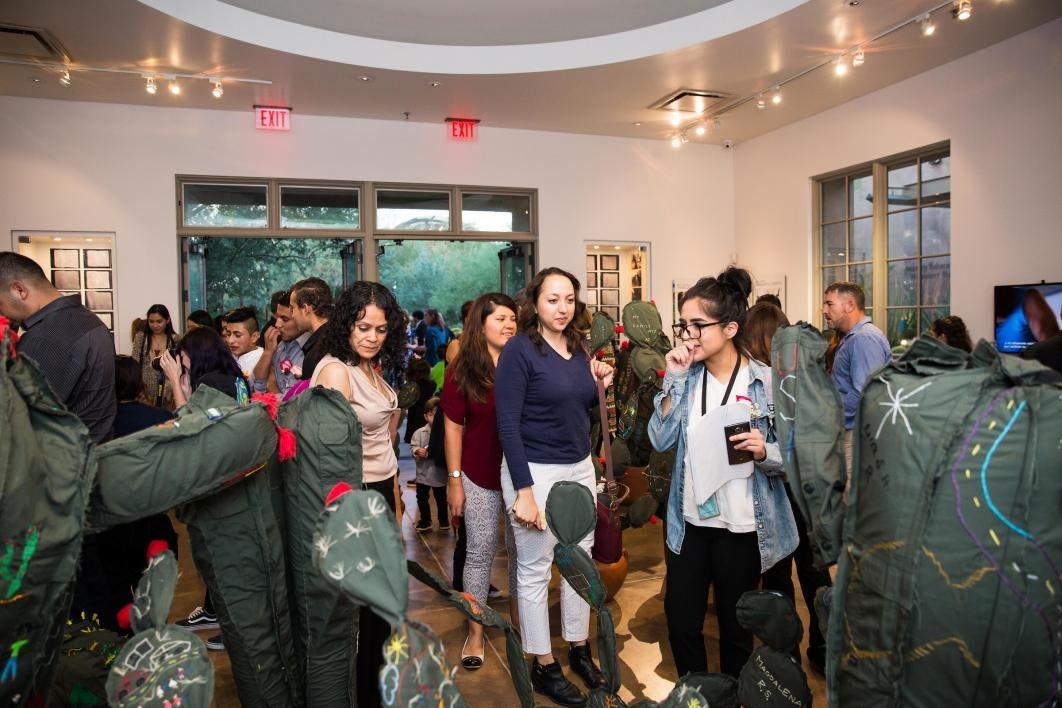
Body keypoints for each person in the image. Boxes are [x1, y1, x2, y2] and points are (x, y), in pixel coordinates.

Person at [648, 267, 797, 679]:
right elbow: (659, 440)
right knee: (681, 623)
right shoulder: (686, 379)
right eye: (683, 325)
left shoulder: (765, 381)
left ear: (730, 328)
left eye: (698, 325)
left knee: (736, 631)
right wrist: (673, 379)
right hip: (691, 522)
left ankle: (732, 695)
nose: (687, 336)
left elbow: (793, 456)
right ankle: (695, 693)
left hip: (743, 525)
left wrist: (763, 449)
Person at [495, 267, 613, 706]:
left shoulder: (580, 348)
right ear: (534, 303)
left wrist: (599, 380)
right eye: (552, 299)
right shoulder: (519, 351)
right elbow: (507, 423)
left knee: (579, 564)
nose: (562, 308)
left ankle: (579, 647)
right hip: (534, 472)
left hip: (579, 467)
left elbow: (576, 401)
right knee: (535, 569)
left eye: (569, 299)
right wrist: (523, 490)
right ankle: (544, 664)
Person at [0, 252, 117, 625]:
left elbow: (20, 422)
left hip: (62, 484)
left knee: (78, 597)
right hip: (88, 469)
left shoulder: (50, 338)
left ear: (19, 289)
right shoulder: (83, 320)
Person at [310, 280, 406, 708]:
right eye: (362, 327)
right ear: (346, 324)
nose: (371, 337)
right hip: (356, 497)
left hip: (382, 491)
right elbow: (328, 455)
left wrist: (397, 502)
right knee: (364, 613)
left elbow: (383, 443)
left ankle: (375, 692)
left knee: (381, 614)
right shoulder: (336, 371)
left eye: (380, 329)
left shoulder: (370, 368)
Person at [744, 302, 832, 674]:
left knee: (779, 578)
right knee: (814, 575)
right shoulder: (804, 377)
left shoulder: (758, 382)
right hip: (809, 488)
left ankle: (786, 656)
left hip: (778, 490)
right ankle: (824, 645)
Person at [441, 292, 520, 671]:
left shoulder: (523, 364)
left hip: (522, 476)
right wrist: (454, 481)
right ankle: (475, 632)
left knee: (525, 554)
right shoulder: (463, 368)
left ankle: (523, 628)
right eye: (500, 318)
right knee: (479, 553)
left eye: (513, 319)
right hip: (477, 473)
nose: (508, 325)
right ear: (481, 324)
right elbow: (453, 429)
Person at [160, 325, 250, 650]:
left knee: (222, 557)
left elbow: (186, 426)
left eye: (183, 354)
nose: (179, 359)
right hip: (235, 475)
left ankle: (236, 628)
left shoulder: (213, 382)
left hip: (221, 479)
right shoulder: (234, 378)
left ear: (196, 354)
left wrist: (174, 380)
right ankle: (216, 611)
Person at [95, 355, 179, 630]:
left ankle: (122, 643)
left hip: (109, 521)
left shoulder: (96, 423)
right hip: (151, 518)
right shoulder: (158, 418)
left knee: (115, 589)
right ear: (137, 382)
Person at [0, 252, 116, 443]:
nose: (2, 313)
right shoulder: (87, 319)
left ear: (19, 290)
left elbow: (16, 424)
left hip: (67, 462)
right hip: (95, 451)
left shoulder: (44, 339)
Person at [821, 281, 891, 472]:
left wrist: (830, 413)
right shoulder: (853, 337)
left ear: (850, 305)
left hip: (856, 436)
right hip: (849, 433)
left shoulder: (864, 339)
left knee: (851, 498)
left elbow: (866, 394)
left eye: (829, 304)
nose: (824, 310)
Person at [253, 289, 309, 396]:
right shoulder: (280, 345)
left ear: (300, 317)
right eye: (277, 318)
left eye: (285, 319)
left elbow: (295, 404)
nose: (277, 324)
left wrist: (273, 388)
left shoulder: (310, 350)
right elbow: (257, 386)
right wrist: (268, 353)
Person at [410, 398, 449, 531]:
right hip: (423, 473)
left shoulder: (446, 433)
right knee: (421, 498)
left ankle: (443, 520)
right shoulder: (419, 433)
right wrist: (417, 450)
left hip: (439, 474)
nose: (435, 418)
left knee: (441, 499)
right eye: (432, 414)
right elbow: (413, 447)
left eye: (438, 415)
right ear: (426, 416)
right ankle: (425, 520)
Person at [131, 304, 179, 408]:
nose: (155, 325)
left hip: (169, 396)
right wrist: (139, 391)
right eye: (151, 321)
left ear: (167, 320)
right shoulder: (140, 338)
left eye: (159, 321)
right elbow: (134, 365)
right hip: (144, 395)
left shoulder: (175, 340)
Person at [290, 277, 333, 380]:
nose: (292, 315)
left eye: (293, 308)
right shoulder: (340, 335)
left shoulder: (317, 352)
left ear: (305, 309)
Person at [221, 306, 263, 387]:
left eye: (237, 335)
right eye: (228, 334)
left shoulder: (261, 360)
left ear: (254, 337)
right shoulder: (229, 357)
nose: (230, 341)